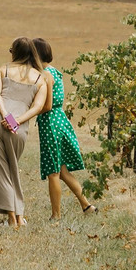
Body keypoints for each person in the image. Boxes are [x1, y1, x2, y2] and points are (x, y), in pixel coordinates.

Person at [0, 37, 49, 229]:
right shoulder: (41, 79)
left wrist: (5, 115)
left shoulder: (4, 69)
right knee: (12, 169)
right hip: (18, 125)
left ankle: (12, 218)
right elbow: (39, 106)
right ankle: (18, 216)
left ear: (14, 52)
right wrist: (16, 120)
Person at [33, 38, 95, 219]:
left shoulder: (45, 75)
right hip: (60, 120)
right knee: (62, 171)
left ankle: (56, 215)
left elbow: (46, 106)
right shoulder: (54, 71)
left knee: (53, 172)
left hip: (50, 122)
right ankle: (87, 205)